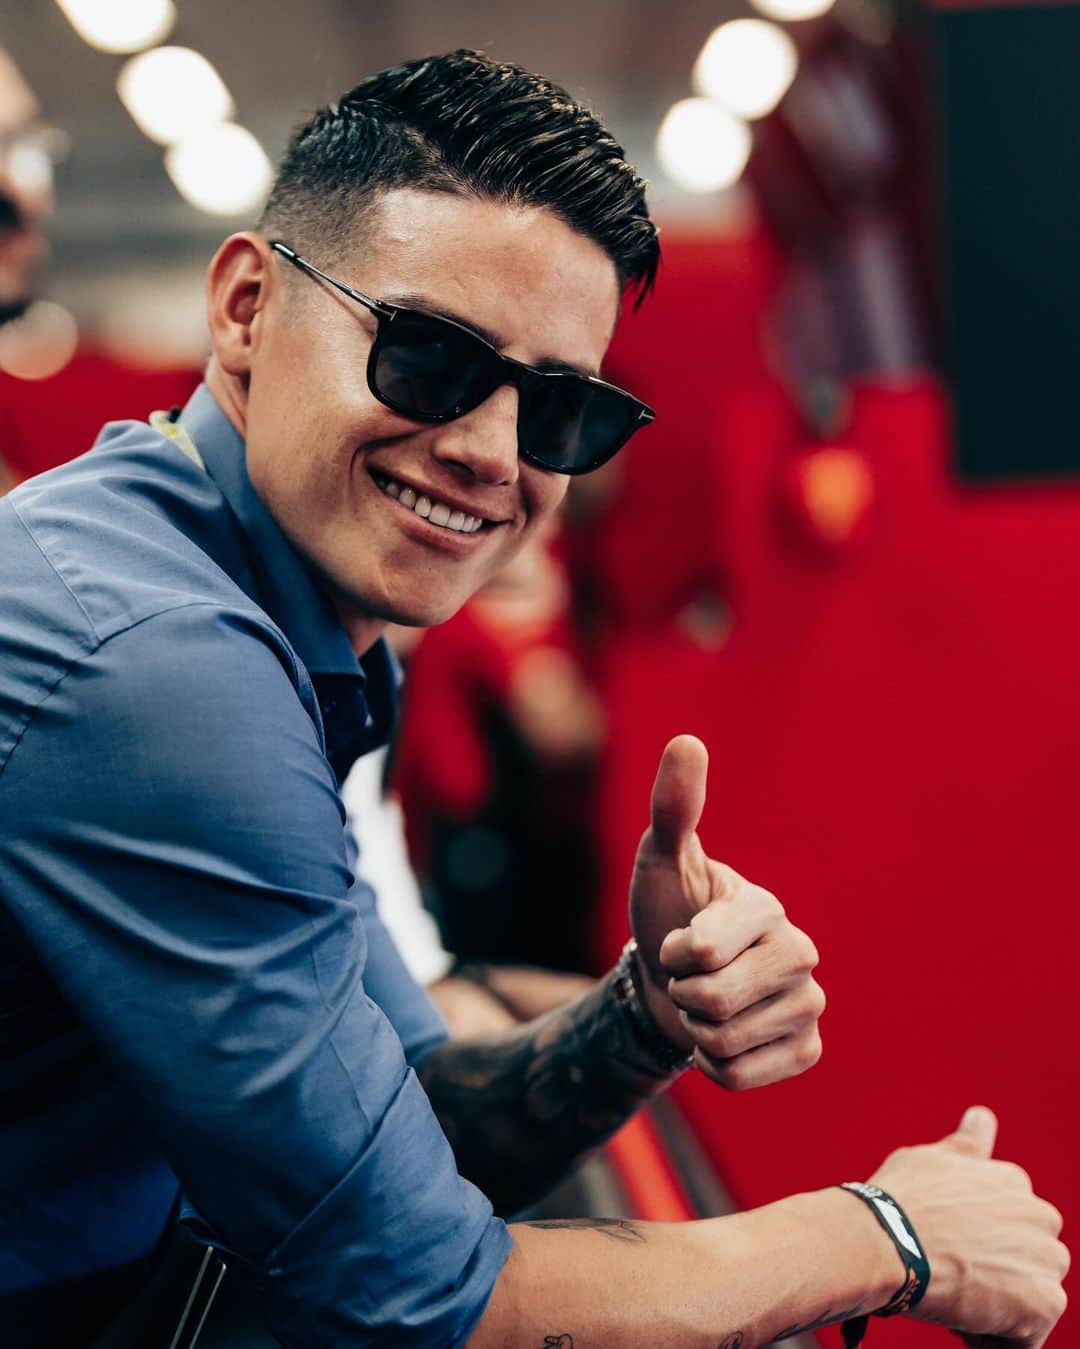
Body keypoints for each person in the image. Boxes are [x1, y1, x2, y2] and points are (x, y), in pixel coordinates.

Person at [0, 49, 1066, 1349]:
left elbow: (414, 1107)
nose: (493, 455)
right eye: (431, 359)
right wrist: (887, 1236)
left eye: (561, 411)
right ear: (243, 309)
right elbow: (420, 1294)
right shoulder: (161, 662)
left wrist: (644, 1014)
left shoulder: (273, 598)